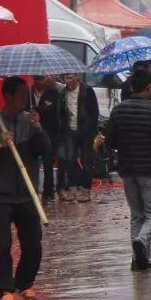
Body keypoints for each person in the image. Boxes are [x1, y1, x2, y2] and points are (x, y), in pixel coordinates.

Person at [0, 76, 49, 300]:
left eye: (27, 95)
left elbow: (44, 150)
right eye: (22, 95)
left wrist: (37, 130)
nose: (26, 99)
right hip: (1, 194)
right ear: (8, 96)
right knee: (0, 244)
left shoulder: (29, 121)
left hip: (27, 193)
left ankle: (24, 283)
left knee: (33, 242)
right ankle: (5, 289)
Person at [103, 67, 151, 271]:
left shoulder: (118, 110)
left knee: (137, 214)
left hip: (128, 169)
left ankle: (139, 259)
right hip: (150, 170)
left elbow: (111, 140)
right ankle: (142, 241)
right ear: (149, 86)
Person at [57, 72, 99, 203]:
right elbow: (61, 112)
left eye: (70, 78)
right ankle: (73, 187)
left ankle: (86, 189)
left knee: (87, 160)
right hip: (70, 131)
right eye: (65, 78)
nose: (67, 81)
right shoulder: (63, 93)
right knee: (70, 159)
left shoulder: (87, 91)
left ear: (77, 77)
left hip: (85, 130)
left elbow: (94, 112)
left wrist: (92, 131)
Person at [30, 75, 62, 203]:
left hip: (51, 134)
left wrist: (39, 111)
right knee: (34, 163)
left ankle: (48, 192)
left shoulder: (55, 92)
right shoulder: (29, 91)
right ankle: (35, 190)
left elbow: (53, 111)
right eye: (37, 79)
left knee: (48, 163)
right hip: (35, 133)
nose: (41, 81)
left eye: (42, 78)